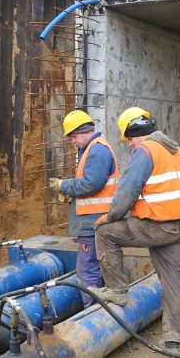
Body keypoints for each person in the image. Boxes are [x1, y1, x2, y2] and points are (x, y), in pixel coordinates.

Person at [93, 107, 180, 351]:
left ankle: (118, 290)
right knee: (174, 280)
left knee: (104, 233)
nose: (129, 144)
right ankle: (173, 340)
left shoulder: (145, 151)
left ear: (136, 132)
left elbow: (127, 191)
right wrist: (176, 196)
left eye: (129, 138)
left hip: (156, 226)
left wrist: (110, 216)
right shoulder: (176, 150)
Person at [48, 110, 117, 308]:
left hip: (94, 222)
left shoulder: (96, 150)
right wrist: (73, 197)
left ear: (84, 131)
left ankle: (92, 316)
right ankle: (102, 312)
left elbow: (91, 184)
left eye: (73, 136)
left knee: (88, 272)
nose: (72, 141)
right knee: (96, 268)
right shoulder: (92, 149)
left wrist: (64, 186)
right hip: (95, 220)